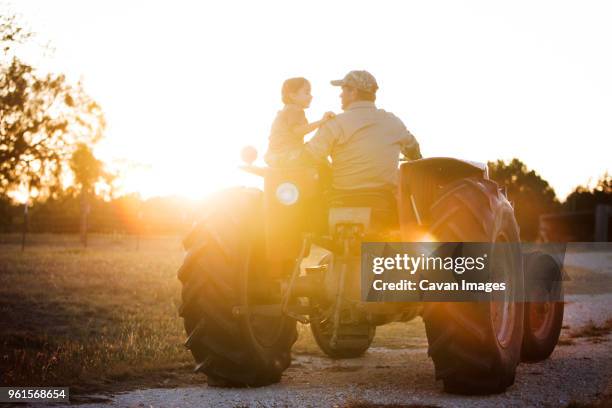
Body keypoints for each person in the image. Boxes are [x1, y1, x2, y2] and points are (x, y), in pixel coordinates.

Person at [304, 70, 422, 226]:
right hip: (383, 203)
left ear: (353, 92)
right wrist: (414, 156)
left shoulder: (335, 123)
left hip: (341, 200)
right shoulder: (392, 122)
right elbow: (413, 150)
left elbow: (311, 155)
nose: (340, 95)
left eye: (343, 90)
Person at [264, 77, 335, 167]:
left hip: (275, 155)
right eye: (307, 93)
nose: (311, 96)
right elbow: (298, 131)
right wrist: (322, 121)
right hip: (287, 154)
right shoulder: (294, 109)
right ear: (293, 95)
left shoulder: (287, 110)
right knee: (321, 160)